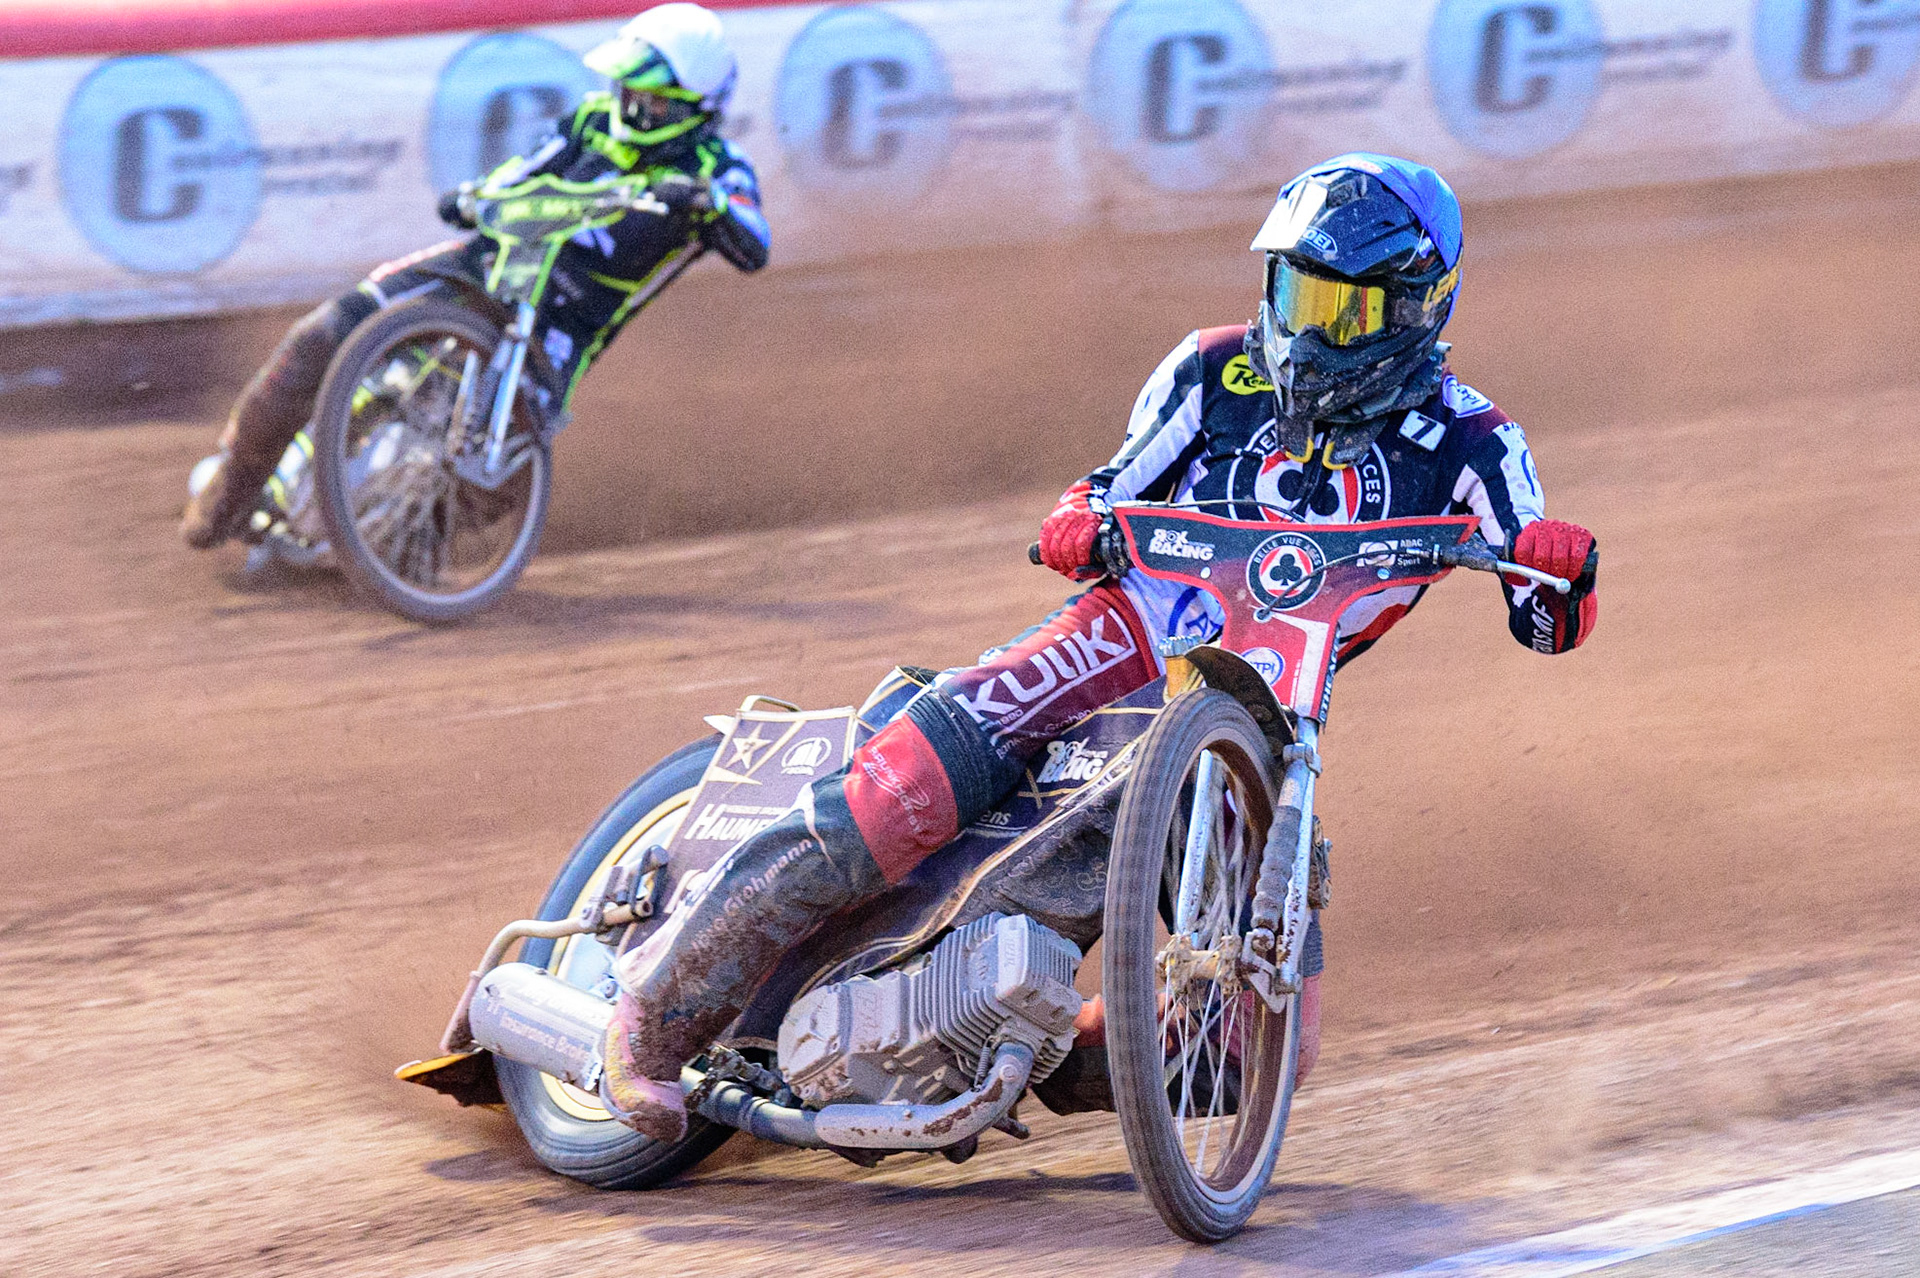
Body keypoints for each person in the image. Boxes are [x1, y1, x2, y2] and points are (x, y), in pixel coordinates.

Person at [596, 153, 1600, 1141]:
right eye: (1296, 291)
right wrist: (1082, 517)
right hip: (1117, 638)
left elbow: (1544, 616)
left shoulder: (1475, 444)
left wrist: (1560, 572)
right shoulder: (1214, 370)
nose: (1309, 328)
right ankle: (650, 1019)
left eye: (1347, 308)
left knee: (1258, 1059)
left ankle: (1012, 1045)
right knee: (897, 794)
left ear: (1421, 306)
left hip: (1255, 715)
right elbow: (1107, 486)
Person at [180, 3, 770, 549]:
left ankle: (394, 549)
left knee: (502, 478)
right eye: (627, 88)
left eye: (652, 99)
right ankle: (235, 485)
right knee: (322, 335)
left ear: (696, 106)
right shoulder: (591, 122)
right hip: (483, 265)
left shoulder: (718, 168)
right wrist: (475, 195)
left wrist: (708, 200)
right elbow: (520, 171)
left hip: (561, 324)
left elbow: (754, 242)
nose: (630, 105)